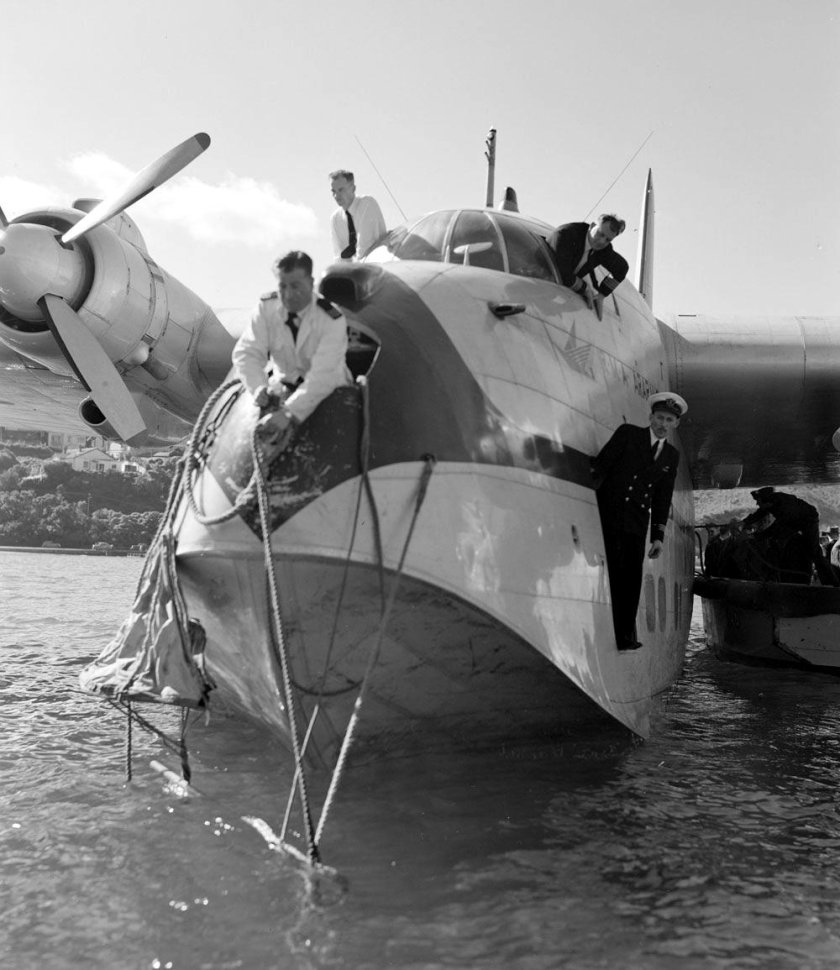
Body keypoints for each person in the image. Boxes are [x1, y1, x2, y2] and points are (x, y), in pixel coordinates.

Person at [591, 391, 686, 651]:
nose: (662, 424)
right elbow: (602, 466)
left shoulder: (671, 456)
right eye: (659, 417)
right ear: (651, 417)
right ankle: (613, 629)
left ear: (675, 424)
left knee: (632, 578)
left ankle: (625, 636)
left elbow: (662, 497)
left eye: (668, 420)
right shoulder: (629, 435)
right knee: (614, 570)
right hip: (611, 514)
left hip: (637, 522)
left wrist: (658, 536)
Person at [231, 250, 351, 446]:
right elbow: (247, 353)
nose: (288, 295)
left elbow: (323, 376)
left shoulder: (331, 319)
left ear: (311, 283)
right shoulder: (266, 309)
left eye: (295, 286)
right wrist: (258, 387)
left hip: (330, 395)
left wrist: (289, 413)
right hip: (283, 387)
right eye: (282, 286)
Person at [741, 486, 838, 586]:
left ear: (766, 502)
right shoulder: (771, 501)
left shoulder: (784, 509)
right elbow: (760, 512)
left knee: (814, 551)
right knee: (779, 543)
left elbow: (775, 529)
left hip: (808, 521)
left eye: (759, 502)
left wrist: (754, 537)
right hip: (795, 521)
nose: (757, 504)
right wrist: (743, 522)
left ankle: (832, 583)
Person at [548, 214, 629, 311]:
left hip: (557, 295)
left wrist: (602, 294)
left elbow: (622, 268)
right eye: (601, 234)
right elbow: (562, 273)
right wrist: (585, 288)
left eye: (608, 240)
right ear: (592, 226)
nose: (602, 241)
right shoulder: (566, 234)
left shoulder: (604, 250)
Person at [329, 169, 386, 261]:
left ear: (353, 188)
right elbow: (340, 258)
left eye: (341, 190)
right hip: (358, 270)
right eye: (333, 191)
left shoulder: (367, 204)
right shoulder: (336, 218)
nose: (336, 196)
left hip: (380, 266)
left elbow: (365, 248)